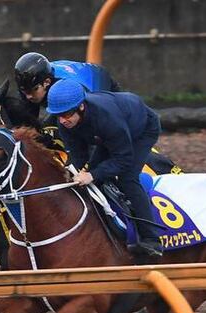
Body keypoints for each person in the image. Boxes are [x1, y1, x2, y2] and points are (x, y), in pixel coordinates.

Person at [46, 79, 164, 260]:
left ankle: (152, 239)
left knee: (127, 178)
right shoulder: (65, 122)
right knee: (91, 176)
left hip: (141, 130)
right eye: (58, 115)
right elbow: (78, 156)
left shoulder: (107, 119)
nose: (63, 120)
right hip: (106, 134)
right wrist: (77, 173)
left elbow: (124, 159)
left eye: (67, 114)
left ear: (81, 107)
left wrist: (92, 174)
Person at [13, 52, 122, 127]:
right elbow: (26, 122)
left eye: (33, 91)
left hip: (100, 89)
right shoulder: (31, 85)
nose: (28, 96)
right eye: (24, 92)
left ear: (47, 82)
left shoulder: (65, 87)